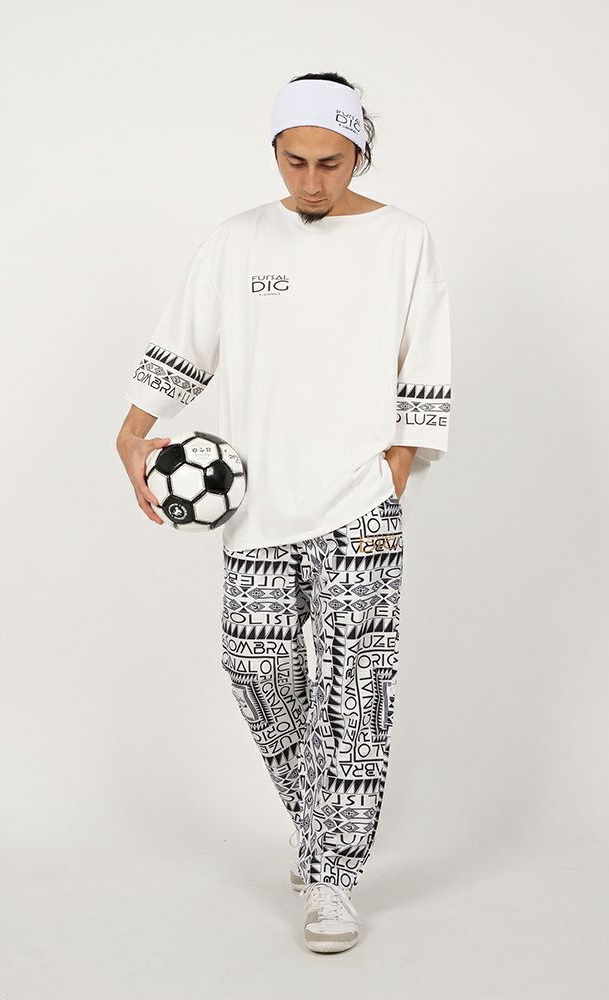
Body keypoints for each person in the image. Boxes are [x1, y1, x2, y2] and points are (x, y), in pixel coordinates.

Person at [115, 71, 452, 953]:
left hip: (360, 505)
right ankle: (322, 827)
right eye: (294, 161)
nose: (311, 180)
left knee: (354, 693)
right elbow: (187, 342)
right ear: (274, 151)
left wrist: (395, 469)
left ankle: (333, 880)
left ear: (360, 152)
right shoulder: (237, 241)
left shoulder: (404, 240)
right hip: (257, 503)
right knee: (253, 664)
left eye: (330, 162)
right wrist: (134, 428)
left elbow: (426, 361)